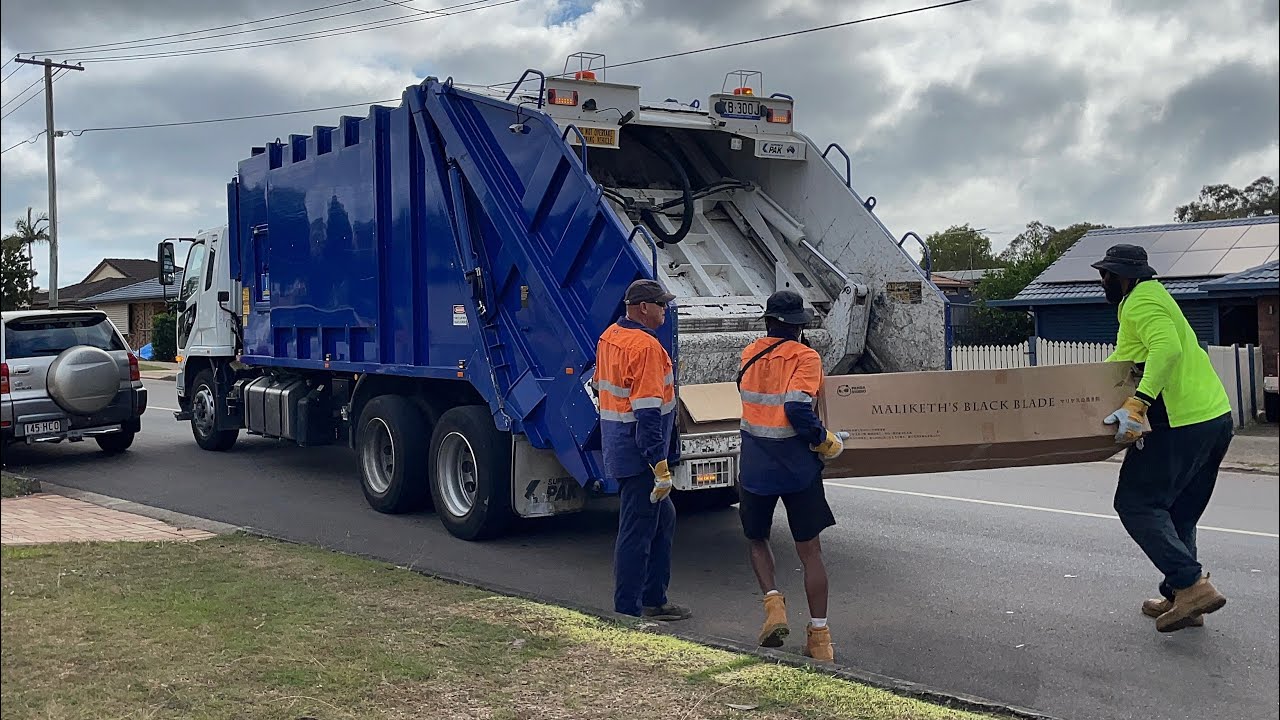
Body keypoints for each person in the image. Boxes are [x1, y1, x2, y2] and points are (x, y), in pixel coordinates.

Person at [1092, 244, 1234, 633]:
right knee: (1179, 512)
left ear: (1122, 277)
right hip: (1215, 418)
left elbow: (1167, 349)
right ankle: (1182, 600)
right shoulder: (1155, 297)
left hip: (1180, 423)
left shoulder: (1140, 302)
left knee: (1135, 503)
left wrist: (1139, 403)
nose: (1103, 282)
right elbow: (1121, 362)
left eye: (1106, 275)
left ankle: (1191, 585)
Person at [736, 289, 844, 662]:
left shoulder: (750, 354)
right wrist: (823, 439)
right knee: (810, 551)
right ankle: (819, 637)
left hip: (754, 465)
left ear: (768, 321)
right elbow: (798, 408)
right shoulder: (806, 356)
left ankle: (774, 608)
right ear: (798, 325)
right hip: (797, 467)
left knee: (757, 539)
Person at [595, 279, 691, 621]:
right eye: (660, 304)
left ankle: (653, 598)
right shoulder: (645, 348)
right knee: (637, 531)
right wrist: (659, 464)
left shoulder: (610, 337)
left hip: (620, 446)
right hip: (641, 456)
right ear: (643, 308)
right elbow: (648, 412)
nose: (665, 310)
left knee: (662, 521)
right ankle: (628, 611)